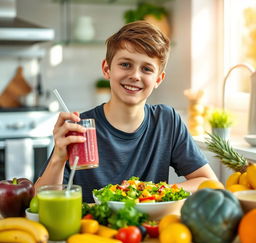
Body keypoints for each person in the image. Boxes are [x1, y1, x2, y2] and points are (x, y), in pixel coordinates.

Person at [35, 20, 217, 202]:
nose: (135, 76)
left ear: (158, 80)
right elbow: (38, 201)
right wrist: (58, 158)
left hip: (146, 229)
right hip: (92, 228)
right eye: (125, 64)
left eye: (146, 69)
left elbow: (210, 183)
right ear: (107, 69)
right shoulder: (81, 128)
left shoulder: (166, 121)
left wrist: (152, 191)